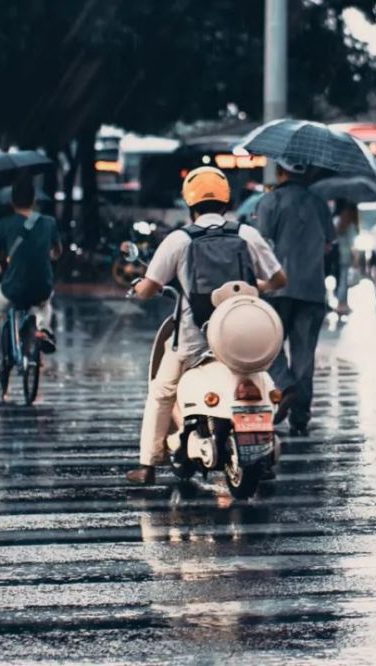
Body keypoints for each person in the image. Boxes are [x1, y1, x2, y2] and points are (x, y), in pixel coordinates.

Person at [126, 167, 287, 485]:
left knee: (161, 391)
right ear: (226, 202)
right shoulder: (247, 235)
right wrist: (253, 289)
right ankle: (261, 449)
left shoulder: (178, 240)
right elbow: (279, 279)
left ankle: (147, 465)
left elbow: (148, 288)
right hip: (243, 335)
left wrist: (138, 288)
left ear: (190, 203)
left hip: (194, 338)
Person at [255, 161, 336, 436]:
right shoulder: (319, 203)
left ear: (280, 172)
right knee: (304, 355)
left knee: (267, 346)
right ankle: (300, 417)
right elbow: (329, 245)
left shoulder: (270, 201)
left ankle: (284, 384)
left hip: (276, 288)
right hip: (312, 289)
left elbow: (261, 245)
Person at [0, 178, 61, 382]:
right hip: (42, 285)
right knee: (45, 302)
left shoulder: (4, 224)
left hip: (13, 287)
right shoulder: (49, 223)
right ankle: (43, 329)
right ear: (34, 199)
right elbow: (57, 252)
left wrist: (5, 258)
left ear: (12, 202)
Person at [333, 199, 359, 315]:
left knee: (341, 280)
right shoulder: (351, 225)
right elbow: (353, 244)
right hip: (346, 255)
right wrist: (356, 258)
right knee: (344, 281)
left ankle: (342, 303)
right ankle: (342, 304)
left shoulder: (338, 222)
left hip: (337, 255)